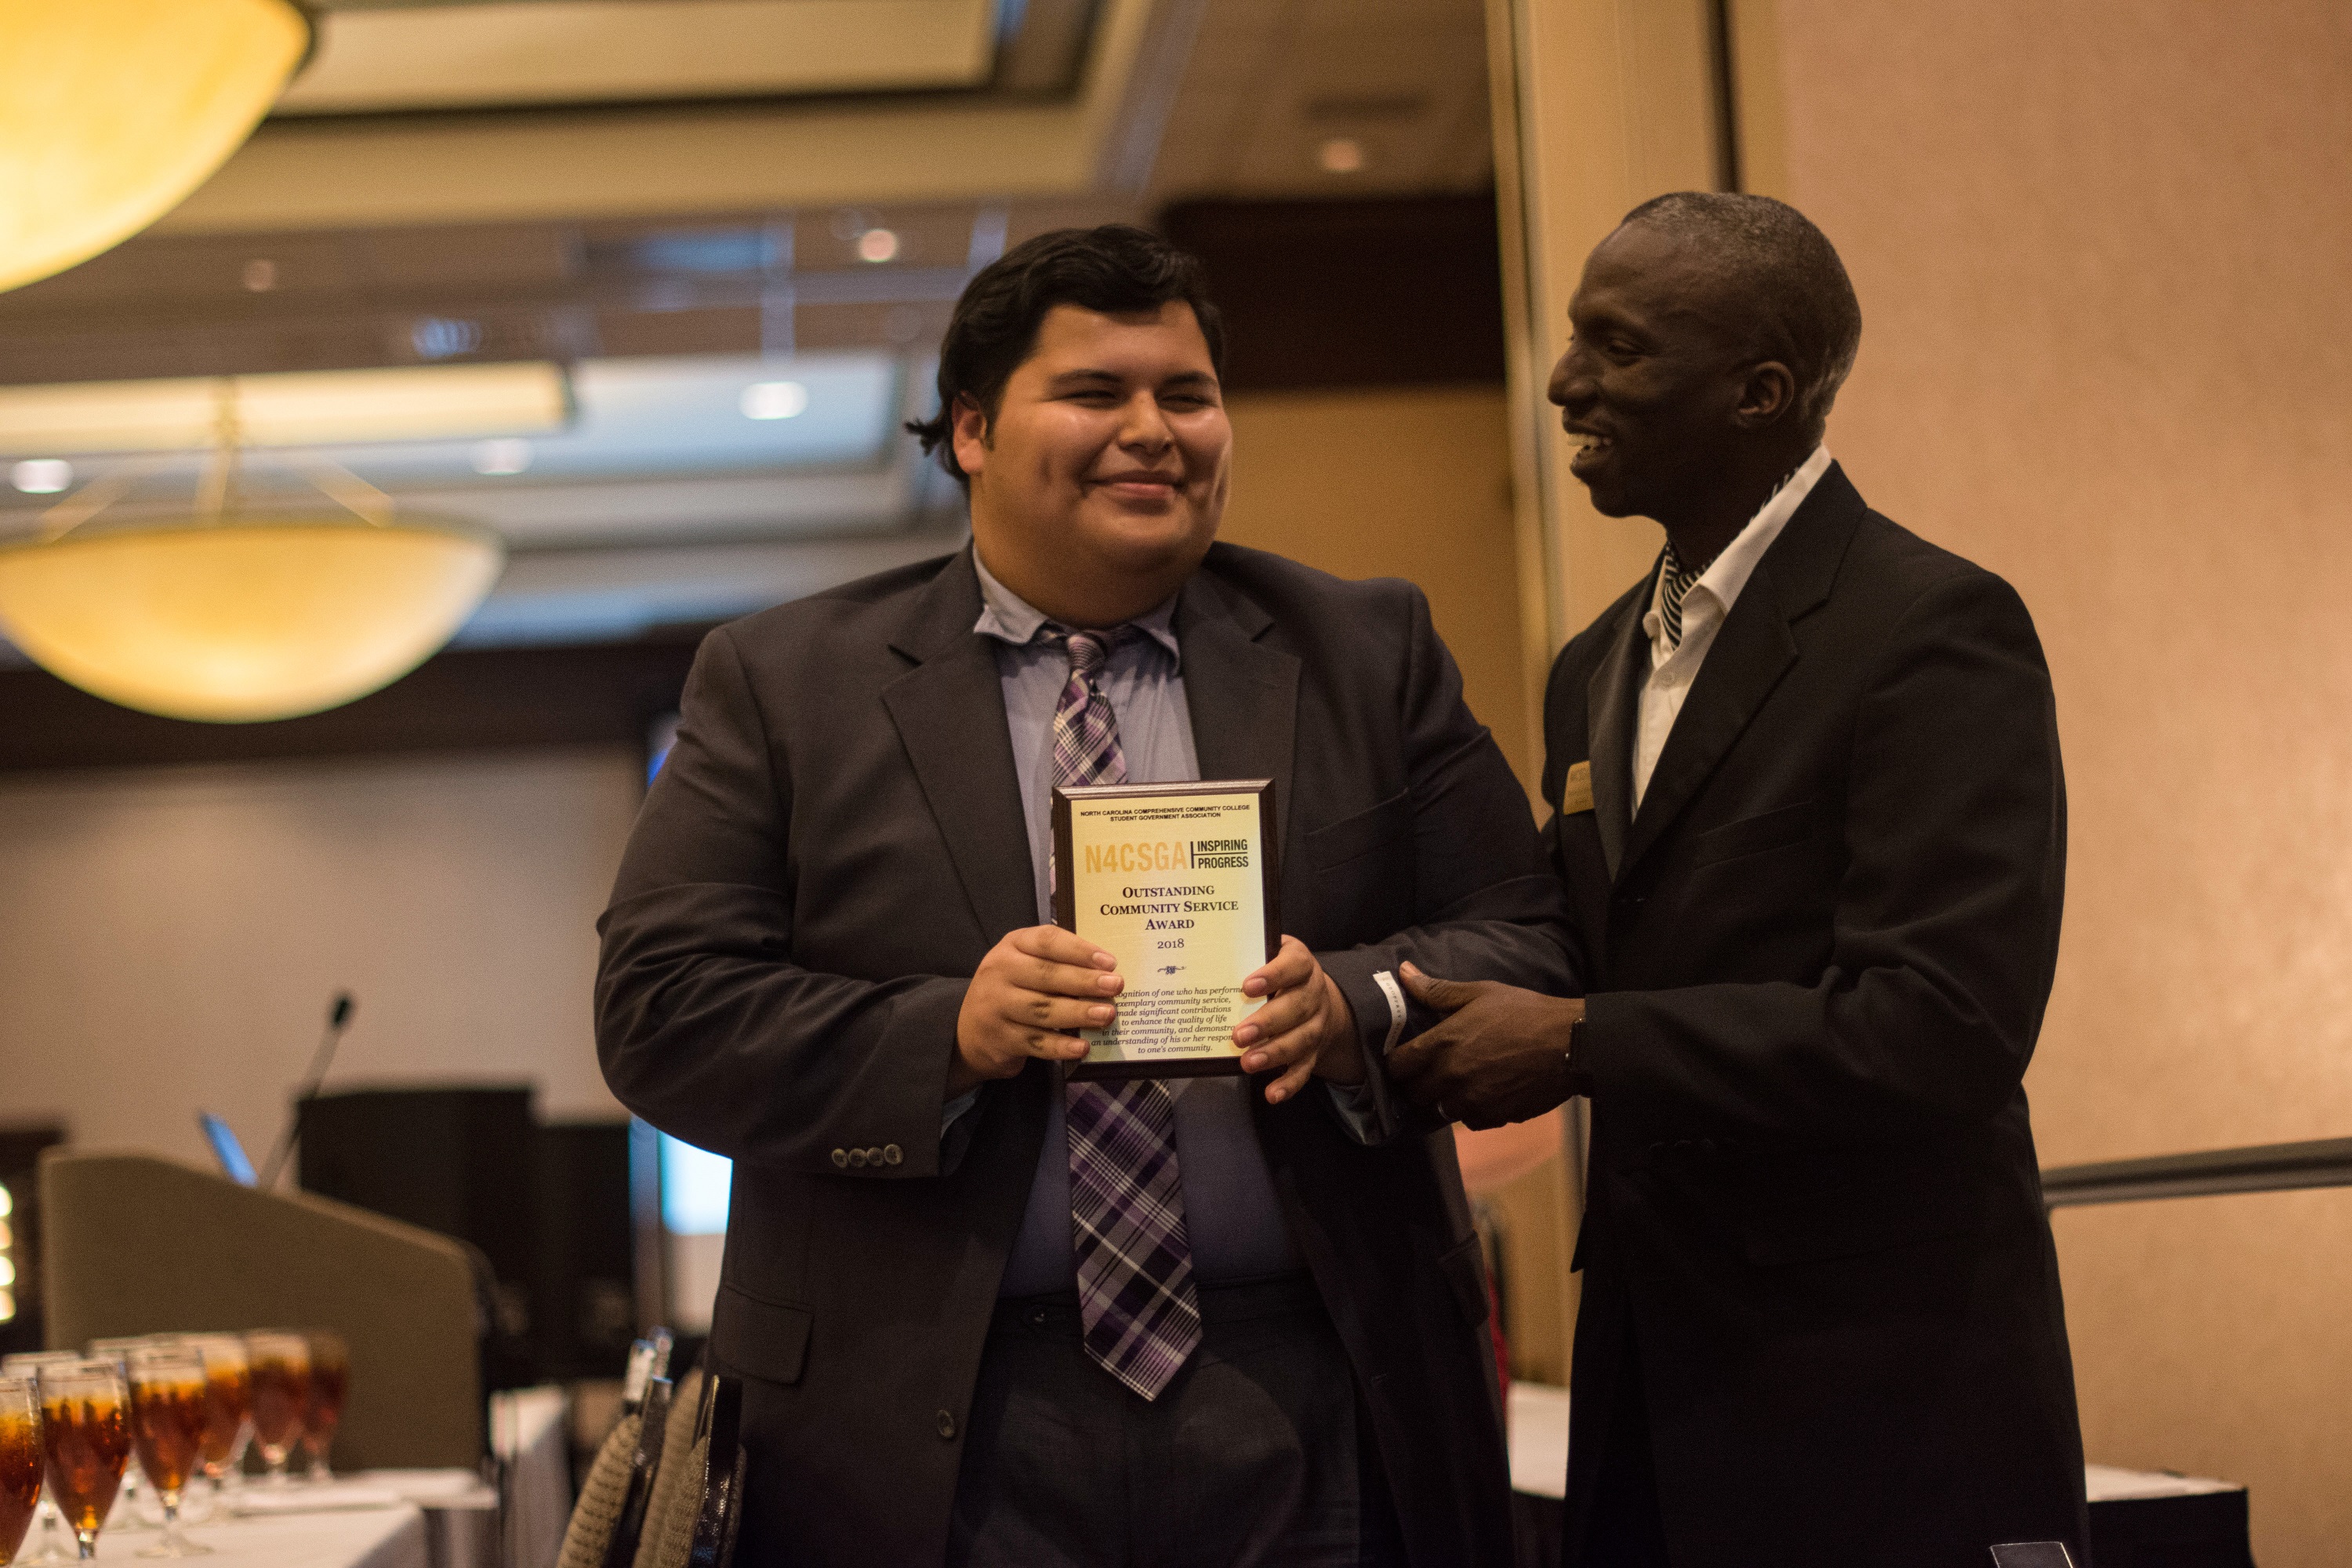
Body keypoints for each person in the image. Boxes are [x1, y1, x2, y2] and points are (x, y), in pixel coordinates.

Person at [595, 223, 1572, 1567]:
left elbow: (1530, 936)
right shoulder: (786, 686)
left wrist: (1362, 1002)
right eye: (1097, 394)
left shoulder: (1363, 649)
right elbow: (662, 1012)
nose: (1154, 431)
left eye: (1189, 394)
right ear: (973, 428)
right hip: (924, 1411)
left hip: (1319, 1382)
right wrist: (945, 1034)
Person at [1389, 193, 2088, 1566]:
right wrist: (1362, 994)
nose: (1564, 380)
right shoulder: (1597, 665)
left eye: (1620, 347)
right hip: (1655, 1383)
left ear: (1761, 391)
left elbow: (1939, 1027)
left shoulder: (1933, 630)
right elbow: (1577, 942)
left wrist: (1584, 1043)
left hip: (1884, 1405)